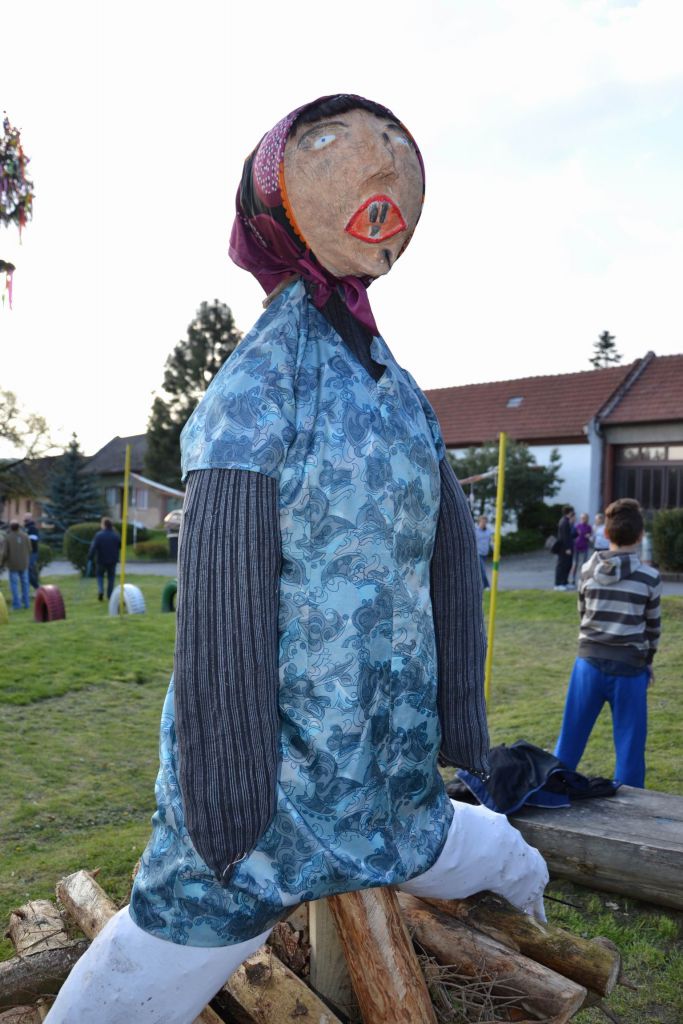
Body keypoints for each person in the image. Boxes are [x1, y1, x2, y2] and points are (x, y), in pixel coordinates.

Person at [46, 94, 547, 1024]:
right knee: (140, 978)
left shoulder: (393, 383)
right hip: (268, 812)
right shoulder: (260, 384)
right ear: (273, 202)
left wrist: (459, 730)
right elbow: (220, 610)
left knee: (512, 858)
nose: (383, 163)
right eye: (334, 145)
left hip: (393, 789)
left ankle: (525, 922)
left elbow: (448, 555)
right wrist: (227, 814)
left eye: (394, 144)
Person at [554, 498, 661, 787]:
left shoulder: (587, 569)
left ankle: (552, 793)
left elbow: (583, 613)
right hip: (630, 669)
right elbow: (653, 628)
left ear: (607, 533)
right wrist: (648, 661)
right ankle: (631, 806)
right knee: (629, 748)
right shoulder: (650, 578)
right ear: (640, 536)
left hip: (587, 664)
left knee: (569, 739)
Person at [88, 517, 121, 601]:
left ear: (104, 525)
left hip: (101, 560)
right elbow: (120, 545)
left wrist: (90, 557)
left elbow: (93, 547)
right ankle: (110, 595)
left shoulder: (98, 535)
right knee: (111, 577)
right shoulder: (116, 535)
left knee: (100, 575)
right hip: (113, 560)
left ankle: (101, 590)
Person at [1, 519, 31, 610]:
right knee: (25, 583)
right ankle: (26, 603)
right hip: (24, 564)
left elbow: (4, 553)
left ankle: (17, 605)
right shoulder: (25, 536)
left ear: (10, 527)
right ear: (19, 526)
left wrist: (1, 563)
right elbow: (30, 549)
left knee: (14, 585)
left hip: (13, 564)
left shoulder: (8, 538)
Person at [553, 505, 575, 590]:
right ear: (569, 512)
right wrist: (567, 548)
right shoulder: (564, 522)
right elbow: (564, 537)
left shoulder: (566, 521)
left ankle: (565, 582)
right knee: (562, 566)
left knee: (567, 565)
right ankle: (558, 584)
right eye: (572, 511)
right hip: (564, 549)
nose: (573, 513)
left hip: (566, 548)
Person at [570, 512, 592, 586]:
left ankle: (583, 579)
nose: (584, 519)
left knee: (584, 564)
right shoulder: (577, 526)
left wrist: (589, 536)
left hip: (585, 547)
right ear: (580, 519)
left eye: (585, 518)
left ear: (587, 519)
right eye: (582, 518)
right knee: (575, 563)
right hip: (576, 547)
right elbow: (572, 535)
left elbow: (590, 536)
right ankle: (573, 579)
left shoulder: (589, 527)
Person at [474, 514, 493, 589]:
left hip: (485, 554)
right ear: (479, 522)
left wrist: (495, 552)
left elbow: (492, 542)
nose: (484, 523)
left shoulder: (489, 531)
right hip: (477, 553)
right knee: (482, 570)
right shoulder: (475, 531)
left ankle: (478, 585)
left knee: (480, 570)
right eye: (482, 522)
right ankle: (486, 586)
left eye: (485, 522)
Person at [23, 512, 40, 589]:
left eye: (27, 518)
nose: (25, 519)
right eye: (25, 517)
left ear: (31, 519)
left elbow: (33, 540)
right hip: (26, 552)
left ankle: (37, 587)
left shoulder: (32, 528)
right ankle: (33, 587)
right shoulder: (25, 528)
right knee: (28, 571)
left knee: (28, 570)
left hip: (32, 552)